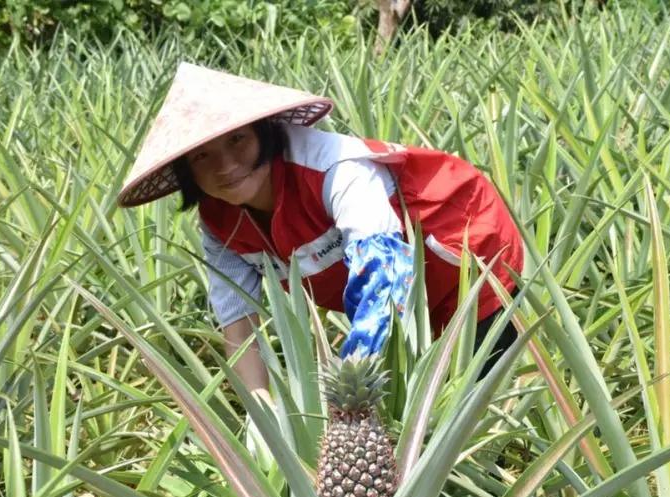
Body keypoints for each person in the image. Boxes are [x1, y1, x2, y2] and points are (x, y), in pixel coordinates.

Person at [117, 62, 523, 393]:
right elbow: (236, 320)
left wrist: (349, 393)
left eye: (237, 140)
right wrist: (261, 412)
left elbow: (384, 275)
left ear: (264, 132)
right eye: (202, 156)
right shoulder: (219, 219)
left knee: (475, 399)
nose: (225, 166)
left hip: (465, 255)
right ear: (185, 171)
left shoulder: (334, 169)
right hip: (395, 297)